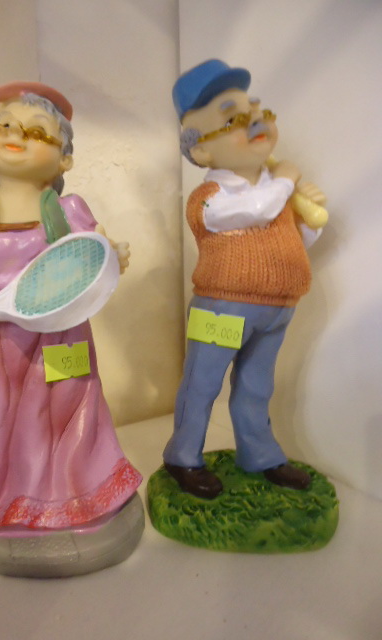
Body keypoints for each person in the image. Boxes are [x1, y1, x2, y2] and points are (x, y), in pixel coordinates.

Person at [0, 82, 142, 534]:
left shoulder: (68, 210)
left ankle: (62, 497)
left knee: (59, 417)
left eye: (36, 131)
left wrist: (110, 255)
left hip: (59, 335)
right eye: (3, 125)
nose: (14, 135)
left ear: (64, 160)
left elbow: (91, 253)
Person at [163, 60, 327, 498]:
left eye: (257, 110)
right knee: (202, 383)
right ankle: (183, 456)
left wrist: (310, 218)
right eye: (233, 118)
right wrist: (286, 182)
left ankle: (260, 454)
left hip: (278, 308)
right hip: (223, 306)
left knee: (257, 386)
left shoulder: (275, 193)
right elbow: (256, 211)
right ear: (201, 152)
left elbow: (291, 240)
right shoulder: (210, 198)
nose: (255, 120)